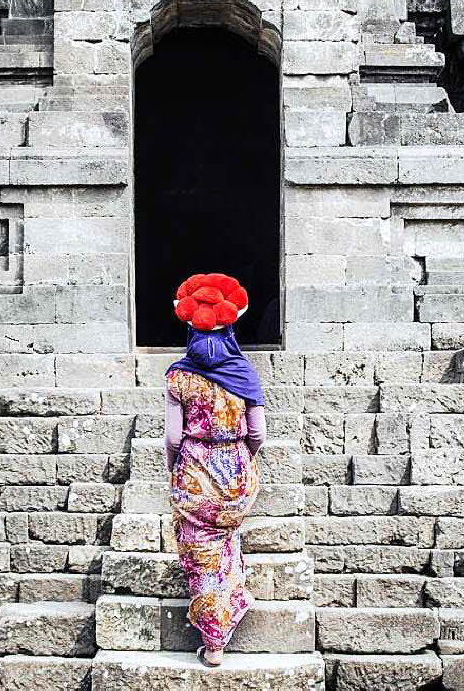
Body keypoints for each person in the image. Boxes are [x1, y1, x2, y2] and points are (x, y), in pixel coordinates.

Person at [165, 273, 267, 668]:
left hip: (194, 474)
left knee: (203, 555)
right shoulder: (244, 374)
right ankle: (230, 605)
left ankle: (214, 641)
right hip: (236, 477)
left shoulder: (179, 376)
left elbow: (174, 438)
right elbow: (257, 433)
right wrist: (242, 457)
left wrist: (178, 470)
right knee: (226, 541)